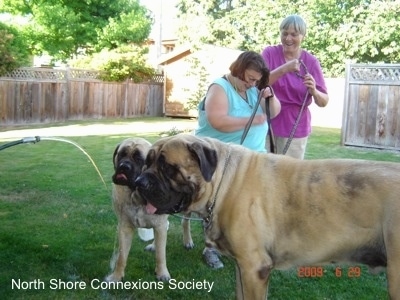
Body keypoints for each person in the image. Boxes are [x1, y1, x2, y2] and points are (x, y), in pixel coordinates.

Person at [195, 50, 281, 268]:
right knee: (218, 206)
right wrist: (249, 121)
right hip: (222, 159)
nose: (252, 84)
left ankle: (248, 241)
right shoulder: (219, 87)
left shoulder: (253, 90)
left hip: (253, 158)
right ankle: (211, 248)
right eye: (250, 79)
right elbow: (217, 120)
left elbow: (275, 112)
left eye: (257, 80)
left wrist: (269, 96)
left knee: (252, 204)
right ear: (238, 70)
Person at [261, 14, 329, 159]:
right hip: (266, 124)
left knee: (289, 176)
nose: (288, 38)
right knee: (264, 173)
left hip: (295, 127)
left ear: (302, 36)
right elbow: (259, 82)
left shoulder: (310, 62)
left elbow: (323, 101)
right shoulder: (269, 53)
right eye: (284, 33)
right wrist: (284, 68)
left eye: (294, 34)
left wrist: (314, 91)